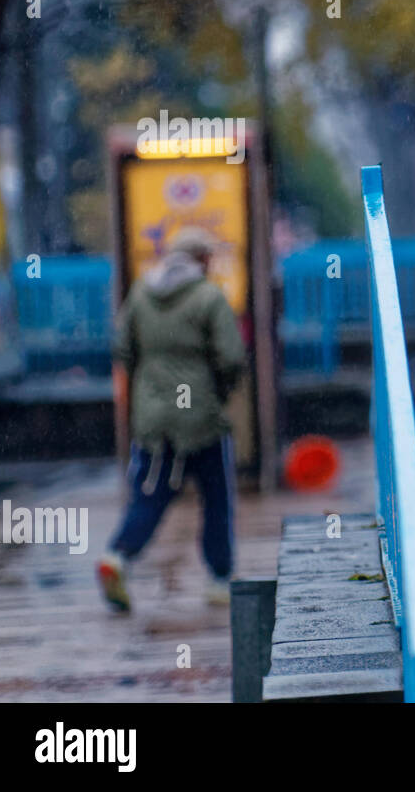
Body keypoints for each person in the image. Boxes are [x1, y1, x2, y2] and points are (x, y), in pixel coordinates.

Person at [97, 227, 246, 612]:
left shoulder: (141, 293)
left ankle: (118, 557)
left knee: (150, 494)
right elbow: (231, 356)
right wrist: (221, 388)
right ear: (201, 259)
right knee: (216, 500)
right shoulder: (209, 296)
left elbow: (121, 350)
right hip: (199, 416)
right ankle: (218, 578)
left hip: (153, 418)